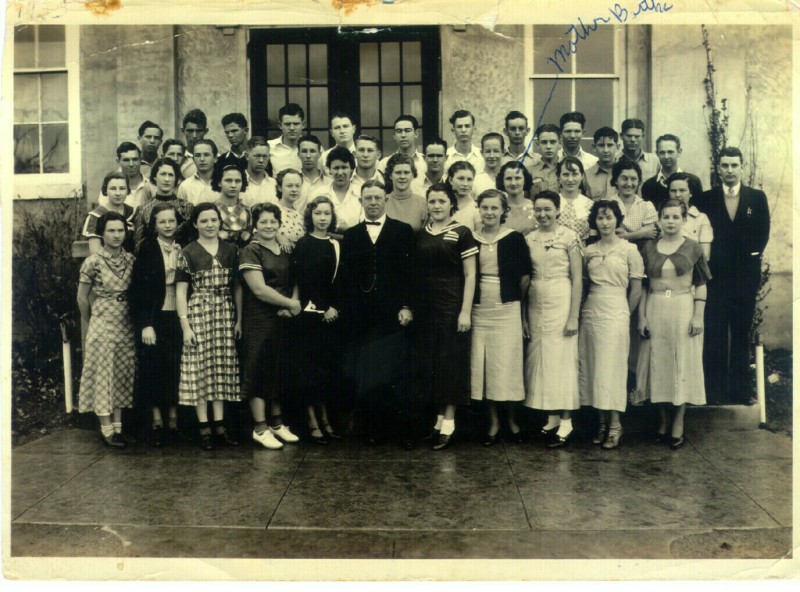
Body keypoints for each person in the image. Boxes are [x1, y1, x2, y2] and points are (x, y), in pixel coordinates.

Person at [340, 179, 417, 449]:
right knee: (369, 373)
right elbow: (347, 278)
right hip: (363, 316)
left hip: (394, 314)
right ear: (361, 202)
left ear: (386, 200)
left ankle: (403, 431)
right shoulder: (351, 235)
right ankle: (373, 429)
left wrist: (407, 305)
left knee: (398, 372)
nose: (373, 203)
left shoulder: (403, 231)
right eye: (367, 198)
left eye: (377, 198)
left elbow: (411, 273)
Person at [695, 147, 770, 405]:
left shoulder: (756, 198)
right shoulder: (705, 199)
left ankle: (740, 391)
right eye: (724, 165)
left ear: (741, 167)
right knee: (714, 334)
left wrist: (748, 259)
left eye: (733, 165)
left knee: (740, 333)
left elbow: (762, 234)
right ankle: (714, 392)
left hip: (744, 279)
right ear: (718, 168)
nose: (729, 170)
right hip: (715, 279)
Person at [636, 198, 710, 449]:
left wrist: (698, 316)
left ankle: (678, 420)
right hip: (656, 306)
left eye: (675, 217)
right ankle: (662, 420)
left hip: (683, 307)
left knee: (681, 364)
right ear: (659, 219)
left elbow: (701, 284)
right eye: (666, 217)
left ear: (683, 219)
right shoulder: (648, 248)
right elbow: (644, 285)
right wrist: (642, 316)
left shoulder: (693, 248)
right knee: (658, 363)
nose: (670, 222)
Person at [416, 183, 478, 450]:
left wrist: (465, 311)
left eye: (442, 201)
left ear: (451, 204)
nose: (437, 206)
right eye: (432, 201)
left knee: (450, 362)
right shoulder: (421, 234)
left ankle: (450, 422)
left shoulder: (462, 233)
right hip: (427, 307)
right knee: (434, 362)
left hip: (452, 305)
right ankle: (438, 421)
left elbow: (470, 275)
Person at [176, 203, 242, 450]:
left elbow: (237, 287)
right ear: (195, 224)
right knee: (200, 368)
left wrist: (239, 319)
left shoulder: (232, 250)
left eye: (213, 219)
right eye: (203, 221)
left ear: (220, 222)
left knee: (221, 367)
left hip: (225, 311)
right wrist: (186, 326)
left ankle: (220, 425)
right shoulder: (188, 252)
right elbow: (181, 292)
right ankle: (204, 428)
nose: (209, 224)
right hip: (199, 312)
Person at [579, 200, 643, 449]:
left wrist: (625, 313)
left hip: (617, 310)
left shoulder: (629, 250)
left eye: (609, 217)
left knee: (612, 368)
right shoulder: (589, 251)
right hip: (591, 311)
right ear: (594, 222)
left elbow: (636, 290)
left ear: (617, 220)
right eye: (600, 218)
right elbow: (584, 285)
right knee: (593, 367)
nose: (605, 223)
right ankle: (602, 423)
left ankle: (616, 426)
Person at [239, 202, 302, 450]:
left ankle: (277, 423)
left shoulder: (285, 247)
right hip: (259, 317)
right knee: (258, 368)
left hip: (283, 316)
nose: (268, 226)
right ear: (255, 226)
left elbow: (294, 280)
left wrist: (292, 304)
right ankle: (260, 427)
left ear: (279, 224)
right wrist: (290, 303)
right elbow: (259, 289)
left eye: (273, 221)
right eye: (263, 222)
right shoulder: (250, 251)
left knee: (277, 368)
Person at [471, 189, 531, 446]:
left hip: (507, 308)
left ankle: (512, 420)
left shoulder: (514, 238)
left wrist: (513, 299)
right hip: (479, 309)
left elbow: (526, 277)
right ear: (479, 210)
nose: (489, 212)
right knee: (484, 367)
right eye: (485, 207)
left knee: (506, 366)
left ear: (503, 211)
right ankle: (493, 422)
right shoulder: (471, 238)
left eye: (494, 208)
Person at [523, 191, 582, 448]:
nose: (543, 214)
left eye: (548, 209)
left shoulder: (569, 237)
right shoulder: (529, 239)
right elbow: (525, 279)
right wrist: (524, 315)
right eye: (538, 209)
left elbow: (578, 278)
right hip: (536, 299)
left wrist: (573, 317)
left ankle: (567, 421)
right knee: (542, 357)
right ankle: (552, 417)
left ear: (558, 210)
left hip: (562, 297)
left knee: (562, 359)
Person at [76, 212, 137, 449]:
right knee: (103, 373)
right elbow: (82, 297)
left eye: (120, 230)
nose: (116, 235)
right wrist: (91, 320)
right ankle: (106, 428)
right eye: (111, 230)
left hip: (126, 321)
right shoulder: (93, 261)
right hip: (102, 319)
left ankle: (119, 428)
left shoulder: (131, 259)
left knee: (122, 371)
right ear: (102, 233)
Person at [292, 196, 344, 444]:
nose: (322, 218)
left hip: (332, 316)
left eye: (326, 214)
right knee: (309, 372)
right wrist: (322, 308)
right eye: (317, 214)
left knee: (326, 371)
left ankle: (325, 419)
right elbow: (304, 282)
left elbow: (337, 281)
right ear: (310, 216)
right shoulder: (303, 244)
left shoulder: (336, 243)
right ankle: (313, 422)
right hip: (310, 316)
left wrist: (333, 307)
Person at [130, 202, 183, 447]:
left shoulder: (183, 249)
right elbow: (138, 293)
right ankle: (156, 419)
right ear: (154, 225)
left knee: (175, 366)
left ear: (177, 222)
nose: (168, 225)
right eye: (162, 222)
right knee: (153, 368)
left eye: (171, 221)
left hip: (179, 314)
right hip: (156, 315)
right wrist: (145, 324)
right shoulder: (148, 250)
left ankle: (174, 417)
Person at [133, 158, 194, 250]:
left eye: (170, 175)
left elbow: (192, 241)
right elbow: (138, 245)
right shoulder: (143, 209)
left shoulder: (187, 207)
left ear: (175, 179)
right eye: (162, 174)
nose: (167, 179)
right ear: (154, 177)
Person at [642, 134, 702, 211]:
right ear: (657, 153)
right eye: (662, 152)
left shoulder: (693, 181)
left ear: (679, 152)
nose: (666, 156)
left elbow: (699, 211)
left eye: (670, 152)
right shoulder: (649, 186)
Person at [83, 171, 135, 254]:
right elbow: (95, 252)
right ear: (105, 190)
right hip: (104, 264)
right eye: (113, 188)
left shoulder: (133, 213)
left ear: (127, 190)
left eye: (122, 188)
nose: (118, 193)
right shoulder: (96, 216)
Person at [665, 172, 712, 261]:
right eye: (673, 191)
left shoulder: (701, 219)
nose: (677, 195)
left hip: (692, 270)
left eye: (682, 190)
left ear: (690, 193)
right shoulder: (660, 217)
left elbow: (705, 255)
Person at [612, 160, 658, 247]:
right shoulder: (607, 204)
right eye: (624, 178)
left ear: (639, 181)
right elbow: (609, 237)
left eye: (633, 179)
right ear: (615, 180)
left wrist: (624, 235)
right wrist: (641, 234)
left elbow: (651, 234)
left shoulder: (647, 206)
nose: (629, 184)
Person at [321, 146, 363, 233]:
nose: (340, 173)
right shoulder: (319, 194)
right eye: (336, 168)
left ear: (352, 169)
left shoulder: (361, 193)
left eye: (344, 167)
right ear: (329, 170)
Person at [98, 142, 151, 209]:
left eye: (135, 159)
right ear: (118, 161)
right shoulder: (110, 185)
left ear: (140, 160)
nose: (131, 164)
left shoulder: (149, 184)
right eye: (126, 160)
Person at [384, 153, 428, 231]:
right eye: (398, 173)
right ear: (390, 175)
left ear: (413, 175)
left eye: (406, 172)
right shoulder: (382, 202)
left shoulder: (423, 203)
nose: (402, 177)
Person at [212, 164, 252, 247]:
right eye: (228, 180)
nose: (233, 185)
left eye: (238, 181)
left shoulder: (248, 211)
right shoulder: (211, 209)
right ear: (219, 182)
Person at [556, 156, 594, 242]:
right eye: (566, 174)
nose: (570, 179)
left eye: (575, 174)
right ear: (559, 177)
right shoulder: (551, 203)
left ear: (582, 176)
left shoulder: (590, 205)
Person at [496, 160, 536, 236]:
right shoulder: (498, 209)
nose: (513, 183)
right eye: (508, 178)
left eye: (517, 178)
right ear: (502, 181)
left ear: (525, 180)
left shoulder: (535, 208)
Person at [177, 138, 220, 206]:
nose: (202, 159)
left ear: (215, 158)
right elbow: (182, 214)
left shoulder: (225, 184)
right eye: (197, 155)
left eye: (206, 155)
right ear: (193, 159)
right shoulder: (185, 186)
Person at [618, 118, 660, 186]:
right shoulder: (615, 160)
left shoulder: (654, 161)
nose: (633, 140)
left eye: (637, 136)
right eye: (629, 136)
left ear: (642, 136)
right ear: (621, 136)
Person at [240, 136, 278, 208]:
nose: (261, 160)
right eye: (257, 156)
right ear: (247, 156)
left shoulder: (274, 184)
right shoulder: (238, 183)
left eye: (264, 156)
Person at [268, 103, 304, 175]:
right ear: (280, 125)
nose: (292, 128)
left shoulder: (312, 147)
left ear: (303, 125)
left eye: (296, 124)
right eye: (287, 124)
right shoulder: (269, 147)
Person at [275, 168, 306, 249]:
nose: (294, 190)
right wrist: (277, 235)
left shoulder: (301, 216)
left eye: (297, 186)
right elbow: (257, 232)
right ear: (279, 188)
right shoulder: (271, 210)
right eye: (289, 186)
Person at [297, 134, 329, 213]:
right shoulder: (293, 182)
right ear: (298, 155)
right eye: (304, 151)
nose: (308, 156)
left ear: (319, 154)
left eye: (312, 151)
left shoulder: (329, 183)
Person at [585, 127, 619, 201]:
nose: (606, 150)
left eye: (610, 145)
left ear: (617, 147)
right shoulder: (586, 175)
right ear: (594, 147)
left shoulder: (625, 173)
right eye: (601, 145)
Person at [447, 161, 480, 231]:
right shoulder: (442, 204)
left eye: (469, 179)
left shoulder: (476, 209)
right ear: (450, 180)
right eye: (461, 179)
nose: (465, 184)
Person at [529, 123, 561, 195]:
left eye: (552, 142)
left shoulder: (567, 169)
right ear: (538, 145)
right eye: (544, 142)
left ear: (560, 144)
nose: (548, 146)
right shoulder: (529, 171)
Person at [473, 132, 506, 197]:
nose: (491, 156)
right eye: (488, 151)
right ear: (481, 153)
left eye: (496, 151)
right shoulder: (475, 179)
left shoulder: (509, 177)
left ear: (503, 152)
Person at [180, 109, 209, 180]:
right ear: (183, 131)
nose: (194, 136)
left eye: (199, 131)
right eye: (190, 131)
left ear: (205, 131)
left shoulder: (215, 158)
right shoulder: (178, 158)